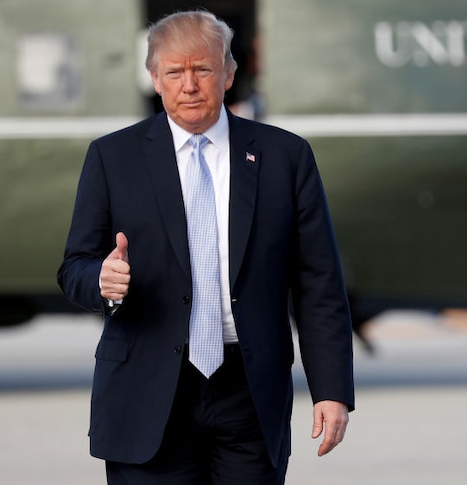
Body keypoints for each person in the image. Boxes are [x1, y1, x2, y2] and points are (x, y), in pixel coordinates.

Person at [57, 10, 354, 484]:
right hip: (147, 391)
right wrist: (102, 280)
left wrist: (332, 391)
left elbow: (320, 284)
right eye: (174, 72)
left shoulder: (286, 157)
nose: (189, 84)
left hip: (249, 395)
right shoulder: (113, 158)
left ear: (229, 74)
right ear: (155, 78)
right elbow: (74, 266)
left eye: (203, 69)